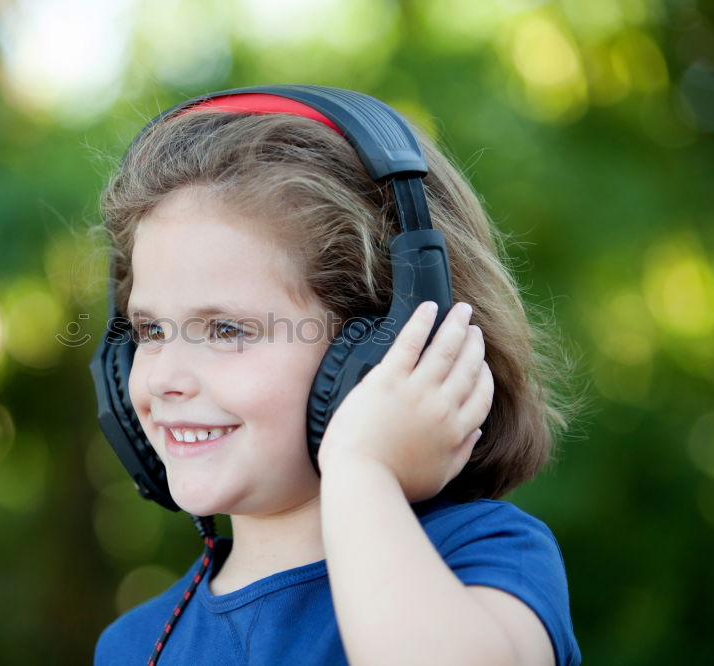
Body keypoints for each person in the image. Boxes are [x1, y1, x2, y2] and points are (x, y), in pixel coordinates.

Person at [91, 92, 581, 665]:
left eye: (226, 331)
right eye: (150, 332)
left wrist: (362, 470)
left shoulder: (485, 557)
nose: (165, 379)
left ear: (386, 350)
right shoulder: (132, 646)